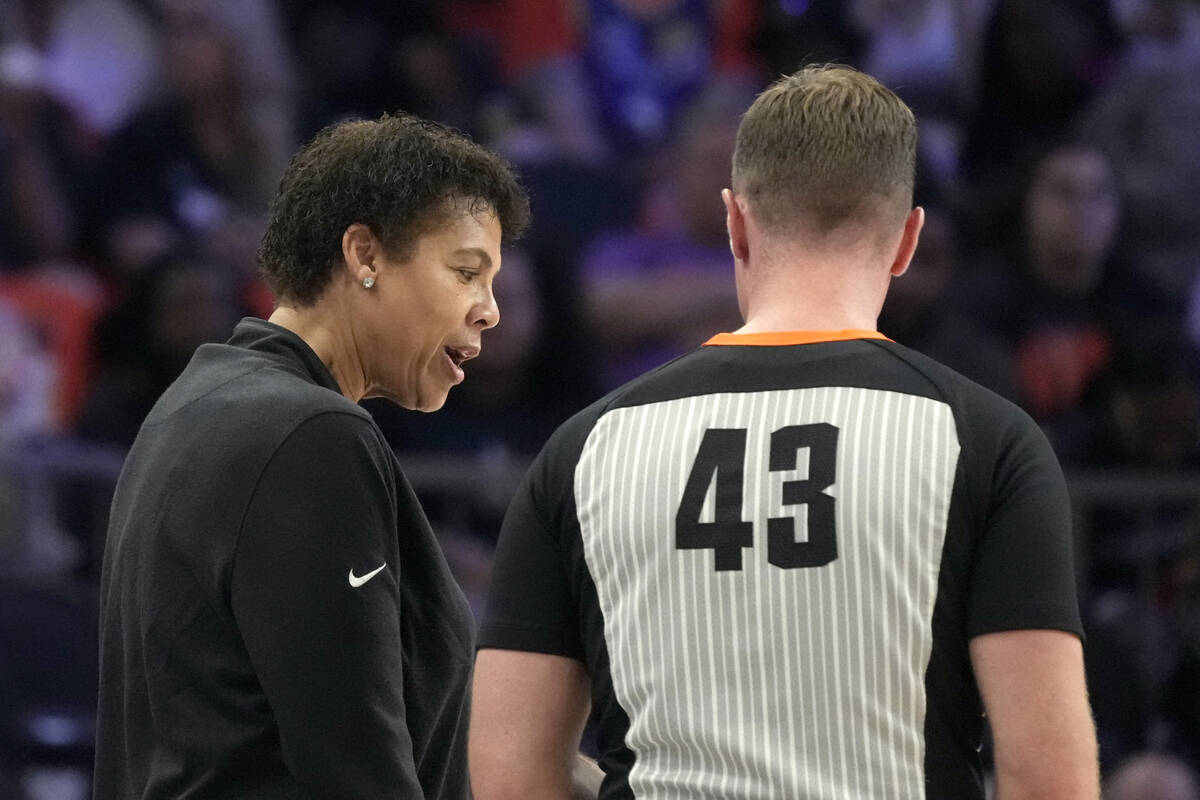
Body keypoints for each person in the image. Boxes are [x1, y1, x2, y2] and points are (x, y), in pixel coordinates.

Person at [470, 65, 1099, 799]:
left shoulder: (584, 450)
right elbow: (1050, 777)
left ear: (736, 223)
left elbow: (508, 772)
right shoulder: (988, 442)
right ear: (906, 241)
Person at [94, 113, 529, 798]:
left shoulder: (192, 403)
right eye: (466, 272)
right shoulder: (312, 437)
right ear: (365, 256)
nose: (489, 311)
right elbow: (357, 770)